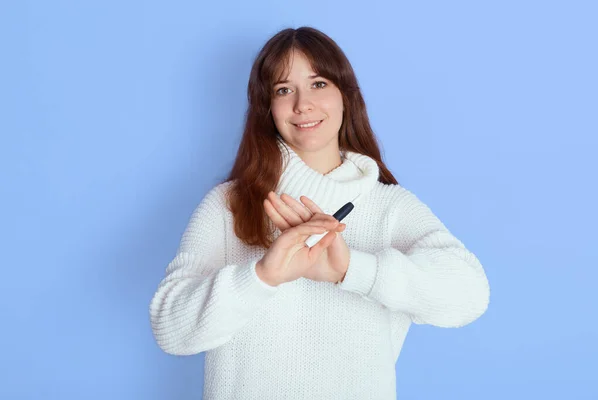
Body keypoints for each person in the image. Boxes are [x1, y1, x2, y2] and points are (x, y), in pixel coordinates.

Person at [149, 26, 490, 400]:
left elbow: (470, 295)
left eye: (319, 84)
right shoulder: (228, 204)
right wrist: (263, 275)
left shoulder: (391, 206)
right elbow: (171, 330)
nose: (302, 104)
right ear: (267, 108)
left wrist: (352, 271)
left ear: (346, 97)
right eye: (283, 90)